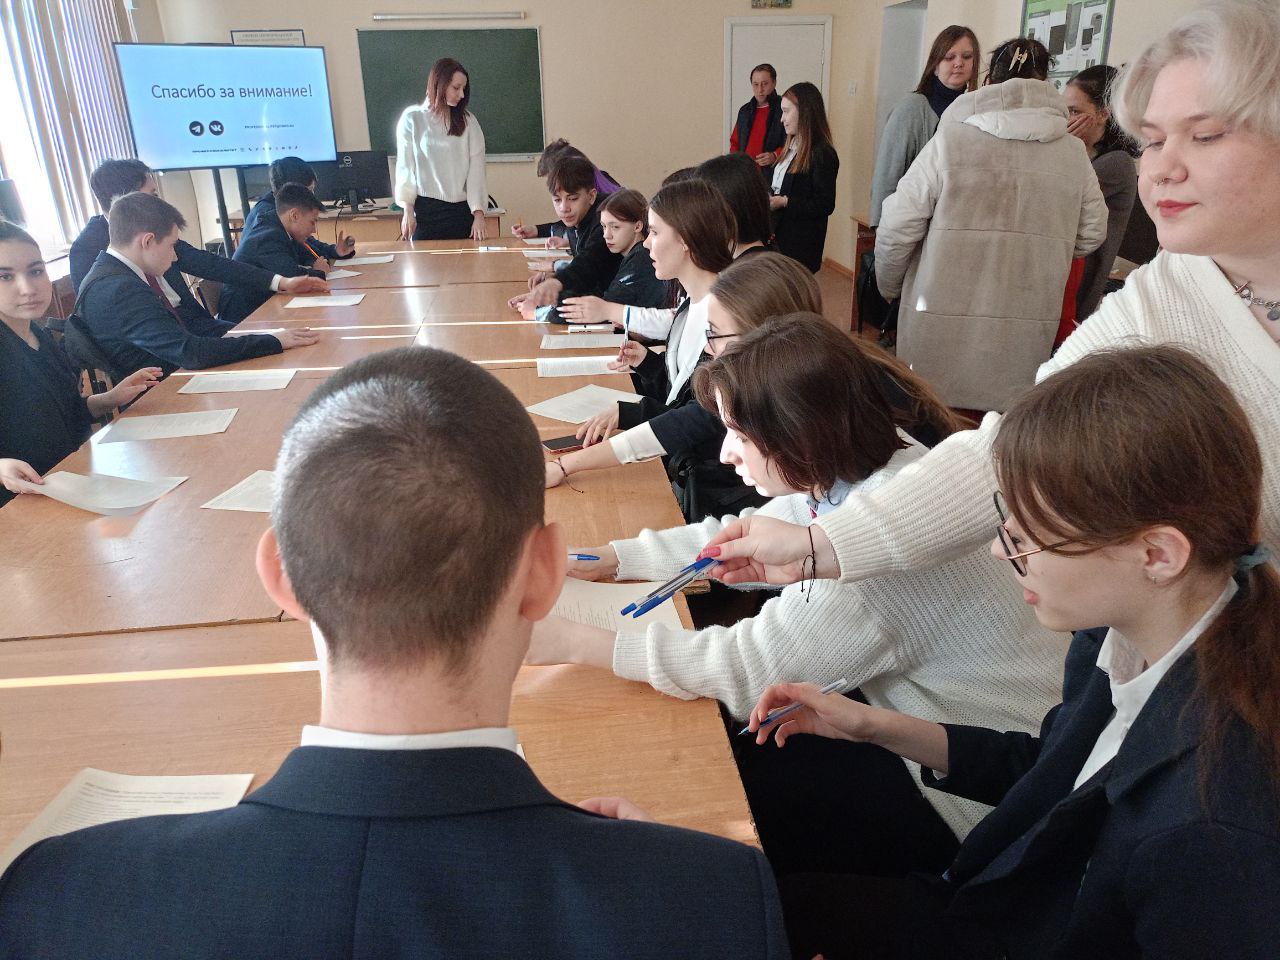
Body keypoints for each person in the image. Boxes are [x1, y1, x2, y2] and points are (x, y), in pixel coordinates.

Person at [0, 346, 790, 958]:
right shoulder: (710, 903)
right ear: (545, 574)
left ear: (280, 577)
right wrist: (649, 878)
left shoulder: (59, 893)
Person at [697, 0, 1280, 679]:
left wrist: (892, 289)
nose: (1162, 170)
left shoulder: (956, 136)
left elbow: (900, 222)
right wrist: (822, 545)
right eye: (1151, 141)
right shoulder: (1172, 282)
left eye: (1203, 137)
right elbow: (1007, 450)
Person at [750, 346, 1280, 960]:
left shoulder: (1213, 829)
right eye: (1008, 524)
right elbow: (1048, 771)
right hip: (983, 898)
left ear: (1157, 554)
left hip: (1008, 927)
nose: (1002, 552)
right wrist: (872, 726)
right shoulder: (1117, 640)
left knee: (756, 906)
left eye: (1029, 538)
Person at [529, 312, 1063, 880]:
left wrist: (572, 641)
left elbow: (743, 669)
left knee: (713, 781)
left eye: (741, 436)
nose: (727, 454)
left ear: (801, 436)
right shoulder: (873, 466)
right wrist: (602, 559)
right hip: (955, 737)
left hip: (979, 799)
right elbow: (737, 536)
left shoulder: (876, 562)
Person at [874, 37, 1107, 410]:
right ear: (1046, 83)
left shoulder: (950, 142)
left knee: (932, 421)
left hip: (939, 326)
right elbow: (1093, 231)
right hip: (1023, 333)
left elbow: (897, 226)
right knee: (1002, 432)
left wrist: (889, 285)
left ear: (987, 81)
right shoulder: (1073, 153)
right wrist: (1048, 243)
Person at [545, 179, 760, 521]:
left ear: (686, 240)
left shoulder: (726, 317)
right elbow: (682, 393)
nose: (646, 243)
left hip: (717, 494)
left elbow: (697, 419)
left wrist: (566, 465)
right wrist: (649, 363)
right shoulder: (690, 304)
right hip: (685, 467)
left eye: (655, 232)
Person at [0, 220, 159, 508]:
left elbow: (66, 414)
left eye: (35, 271)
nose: (27, 288)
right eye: (5, 276)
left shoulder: (40, 335)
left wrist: (110, 398)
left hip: (68, 484)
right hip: (18, 505)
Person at [76, 192, 317, 378]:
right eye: (172, 246)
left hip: (180, 376)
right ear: (147, 241)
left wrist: (269, 337)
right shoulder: (120, 290)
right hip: (163, 396)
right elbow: (191, 353)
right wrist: (274, 341)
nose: (175, 257)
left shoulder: (115, 273)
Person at [69, 158, 327, 298]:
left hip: (194, 329)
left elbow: (210, 264)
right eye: (152, 194)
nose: (159, 201)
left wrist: (281, 282)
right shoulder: (88, 249)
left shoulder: (158, 230)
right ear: (125, 199)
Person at [869, 26, 980, 228]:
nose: (959, 63)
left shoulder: (977, 111)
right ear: (935, 65)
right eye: (950, 57)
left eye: (966, 57)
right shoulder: (911, 108)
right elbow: (887, 175)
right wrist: (881, 227)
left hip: (955, 225)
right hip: (911, 224)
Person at [1065, 65, 1139, 319]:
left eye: (1075, 111)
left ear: (1103, 113)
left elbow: (1061, 195)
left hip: (1082, 283)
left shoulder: (1117, 162)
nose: (1067, 119)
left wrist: (1064, 146)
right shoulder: (1087, 154)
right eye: (1064, 111)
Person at [394, 57, 488, 242]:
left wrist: (479, 214)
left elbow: (477, 171)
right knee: (422, 260)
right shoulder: (412, 118)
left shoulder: (469, 121)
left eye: (464, 89)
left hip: (461, 213)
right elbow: (406, 168)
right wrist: (408, 210)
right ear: (440, 84)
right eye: (456, 88)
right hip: (426, 214)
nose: (461, 94)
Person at [219, 184, 334, 324]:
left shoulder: (281, 228)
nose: (314, 230)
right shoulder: (269, 235)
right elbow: (291, 276)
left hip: (264, 306)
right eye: (312, 222)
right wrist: (319, 272)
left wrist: (319, 262)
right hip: (244, 316)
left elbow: (305, 256)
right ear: (295, 215)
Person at [518, 155, 622, 309]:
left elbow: (589, 264)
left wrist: (557, 285)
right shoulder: (577, 216)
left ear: (591, 196)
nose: (564, 208)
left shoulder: (606, 220)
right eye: (557, 200)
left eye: (572, 198)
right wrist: (547, 290)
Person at [770, 82, 840, 273]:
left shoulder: (822, 153)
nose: (782, 119)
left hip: (800, 246)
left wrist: (785, 202)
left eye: (786, 112)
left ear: (804, 112)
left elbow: (825, 205)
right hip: (780, 238)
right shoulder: (790, 147)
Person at [241, 156, 356, 263]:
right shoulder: (268, 217)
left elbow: (307, 242)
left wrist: (336, 251)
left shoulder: (279, 206)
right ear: (292, 190)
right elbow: (299, 254)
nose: (312, 196)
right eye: (309, 191)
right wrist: (317, 269)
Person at [729, 63, 786, 168]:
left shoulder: (784, 108)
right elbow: (735, 142)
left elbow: (794, 143)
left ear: (774, 83)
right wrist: (736, 163)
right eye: (756, 84)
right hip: (746, 172)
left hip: (773, 172)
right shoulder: (744, 111)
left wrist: (775, 155)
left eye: (765, 84)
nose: (760, 90)